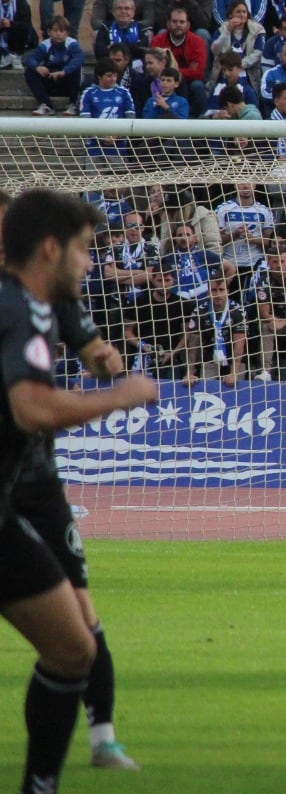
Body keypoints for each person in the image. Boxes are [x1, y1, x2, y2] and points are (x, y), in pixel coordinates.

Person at [0, 190, 159, 791]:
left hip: (9, 507)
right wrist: (119, 396)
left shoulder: (38, 309)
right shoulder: (16, 309)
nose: (90, 263)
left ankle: (42, 785)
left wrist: (104, 363)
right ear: (49, 248)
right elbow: (32, 408)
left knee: (73, 647)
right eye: (84, 250)